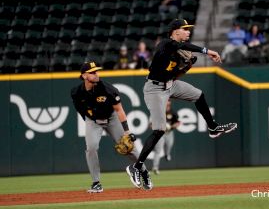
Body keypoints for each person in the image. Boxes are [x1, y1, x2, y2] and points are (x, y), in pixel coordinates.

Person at [125, 19, 238, 190]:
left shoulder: (178, 52)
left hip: (170, 85)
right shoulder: (166, 44)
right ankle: (137, 166)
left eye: (188, 29)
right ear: (175, 31)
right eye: (184, 29)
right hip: (155, 89)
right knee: (159, 130)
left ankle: (213, 128)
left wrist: (186, 67)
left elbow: (175, 75)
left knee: (199, 95)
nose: (188, 32)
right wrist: (207, 51)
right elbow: (185, 47)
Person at [71, 61, 151, 192]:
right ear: (84, 76)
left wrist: (127, 131)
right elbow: (80, 109)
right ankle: (96, 183)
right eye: (93, 72)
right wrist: (88, 120)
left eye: (97, 71)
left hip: (111, 118)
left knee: (128, 147)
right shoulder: (76, 92)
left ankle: (143, 171)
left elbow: (119, 110)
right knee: (91, 148)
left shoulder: (108, 89)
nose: (96, 74)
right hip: (93, 121)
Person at [152, 100, 180, 175]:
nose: (167, 102)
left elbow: (178, 122)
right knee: (158, 150)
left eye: (168, 101)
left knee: (169, 146)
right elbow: (151, 124)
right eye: (166, 101)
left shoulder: (173, 112)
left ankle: (167, 154)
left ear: (170, 102)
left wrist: (170, 126)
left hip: (169, 133)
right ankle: (155, 167)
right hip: (160, 133)